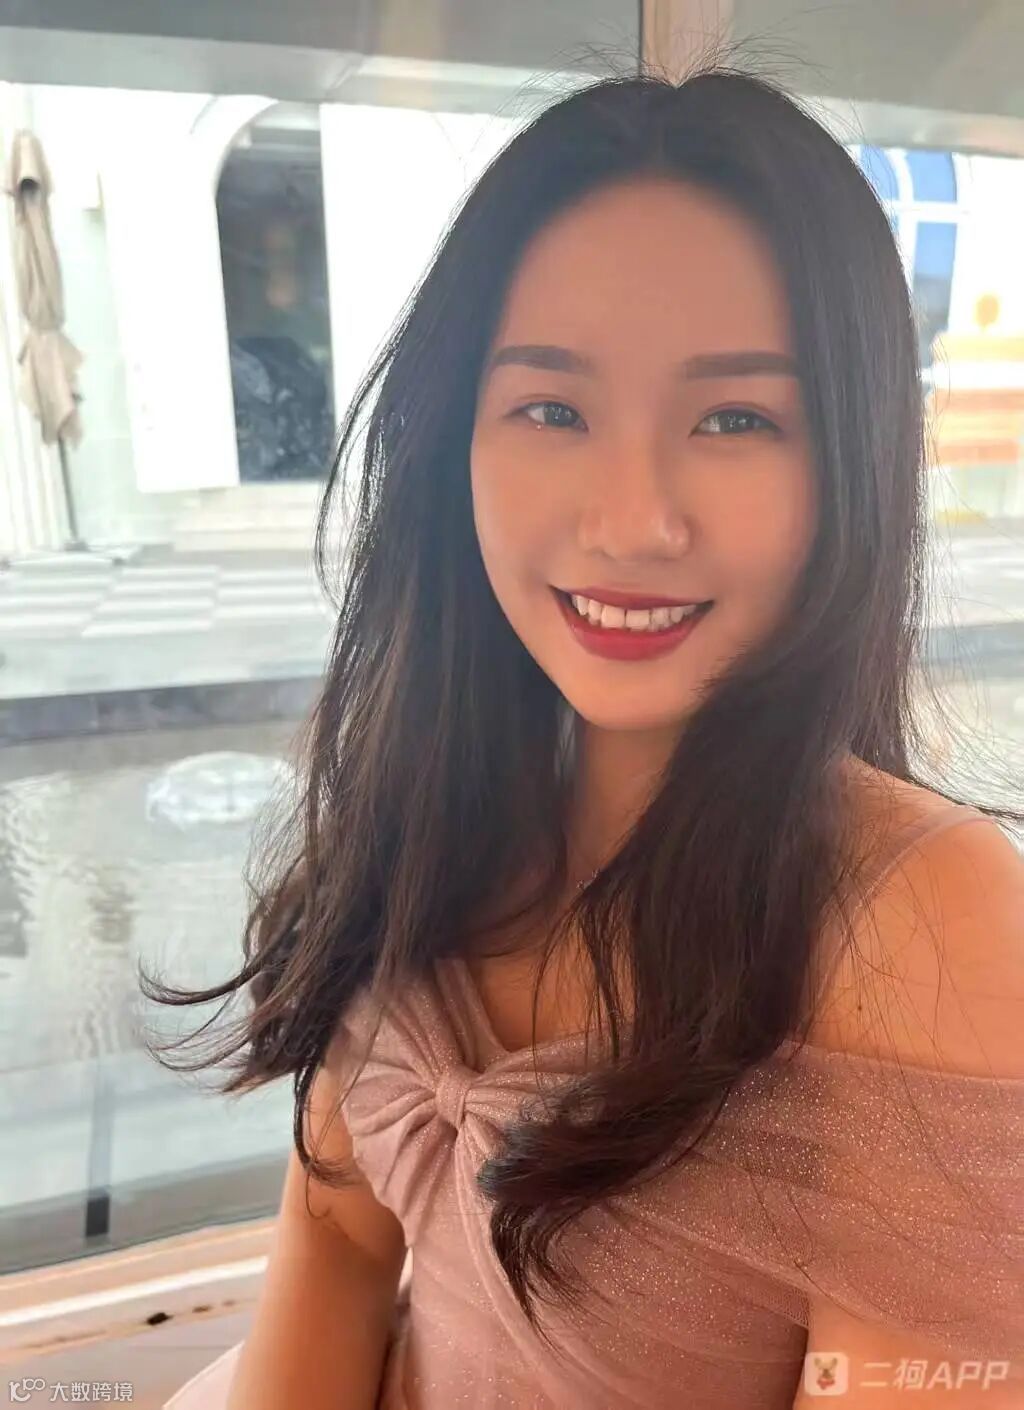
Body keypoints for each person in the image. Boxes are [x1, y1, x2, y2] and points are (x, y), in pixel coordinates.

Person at [151, 63, 1024, 1410]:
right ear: (456, 440)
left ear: (852, 461)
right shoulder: (433, 806)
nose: (631, 520)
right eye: (552, 408)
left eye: (735, 418)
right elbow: (334, 1248)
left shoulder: (925, 922)